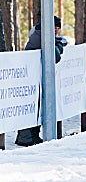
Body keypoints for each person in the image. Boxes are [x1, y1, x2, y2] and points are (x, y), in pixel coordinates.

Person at [15, 16, 66, 147]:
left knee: (37, 107)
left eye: (58, 28)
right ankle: (25, 137)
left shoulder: (41, 34)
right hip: (31, 77)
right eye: (54, 27)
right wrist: (59, 45)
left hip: (36, 76)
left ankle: (33, 135)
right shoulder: (42, 36)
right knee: (30, 107)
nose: (56, 30)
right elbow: (55, 56)